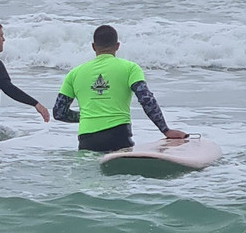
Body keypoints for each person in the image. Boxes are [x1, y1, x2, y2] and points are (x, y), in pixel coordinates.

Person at [52, 24, 188, 151]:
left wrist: (87, 116)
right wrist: (165, 130)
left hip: (87, 140)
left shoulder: (74, 73)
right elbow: (146, 99)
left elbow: (59, 112)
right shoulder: (130, 68)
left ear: (93, 47)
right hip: (118, 136)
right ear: (117, 46)